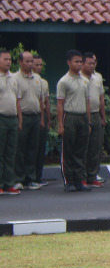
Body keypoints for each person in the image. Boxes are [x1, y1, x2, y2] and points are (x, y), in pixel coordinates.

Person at [56, 50, 90, 192]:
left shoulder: (85, 80)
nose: (79, 64)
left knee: (80, 150)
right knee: (68, 150)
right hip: (69, 116)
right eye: (76, 61)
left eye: (80, 62)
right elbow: (59, 104)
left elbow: (87, 102)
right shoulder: (64, 81)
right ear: (69, 62)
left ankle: (79, 180)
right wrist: (60, 124)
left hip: (82, 116)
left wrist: (88, 122)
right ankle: (68, 180)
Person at [15, 52, 45, 190]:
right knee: (20, 149)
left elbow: (41, 100)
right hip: (23, 116)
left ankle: (31, 178)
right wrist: (20, 120)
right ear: (20, 62)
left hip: (35, 116)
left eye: (31, 61)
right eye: (27, 61)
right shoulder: (15, 78)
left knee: (33, 149)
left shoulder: (37, 78)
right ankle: (19, 178)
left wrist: (42, 119)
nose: (30, 64)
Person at [76, 52, 106, 188]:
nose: (92, 66)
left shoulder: (98, 77)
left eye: (94, 63)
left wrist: (103, 116)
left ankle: (92, 176)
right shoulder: (78, 77)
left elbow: (101, 98)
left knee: (95, 147)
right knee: (82, 148)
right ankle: (81, 177)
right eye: (89, 63)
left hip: (95, 114)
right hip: (82, 114)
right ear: (82, 63)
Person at [0, 50, 22, 195]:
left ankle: (9, 183)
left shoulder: (14, 79)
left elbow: (18, 100)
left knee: (10, 153)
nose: (8, 62)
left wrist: (19, 120)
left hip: (12, 119)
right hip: (1, 118)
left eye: (10, 59)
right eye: (5, 59)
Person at [32, 55, 49, 186]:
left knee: (40, 147)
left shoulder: (43, 82)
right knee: (30, 148)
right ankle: (28, 177)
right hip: (30, 114)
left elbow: (45, 102)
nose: (38, 67)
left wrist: (47, 120)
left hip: (41, 115)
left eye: (40, 65)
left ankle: (38, 176)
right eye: (36, 65)